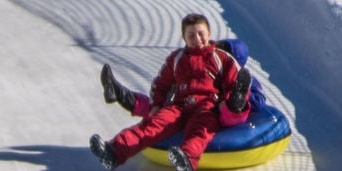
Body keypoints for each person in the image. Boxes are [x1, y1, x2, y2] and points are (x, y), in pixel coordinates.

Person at [90, 13, 249, 171]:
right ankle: (114, 152)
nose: (197, 38)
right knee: (152, 125)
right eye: (191, 35)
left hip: (207, 105)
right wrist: (156, 105)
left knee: (200, 128)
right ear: (184, 38)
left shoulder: (220, 57)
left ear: (209, 34)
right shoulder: (177, 59)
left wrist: (230, 100)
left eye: (201, 33)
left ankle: (186, 160)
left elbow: (233, 82)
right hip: (179, 105)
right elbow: (161, 84)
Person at [100, 38, 259, 121]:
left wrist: (239, 97)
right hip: (194, 109)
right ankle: (120, 93)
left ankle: (235, 102)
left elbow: (259, 99)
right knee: (161, 108)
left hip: (219, 114)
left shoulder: (242, 78)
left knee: (228, 110)